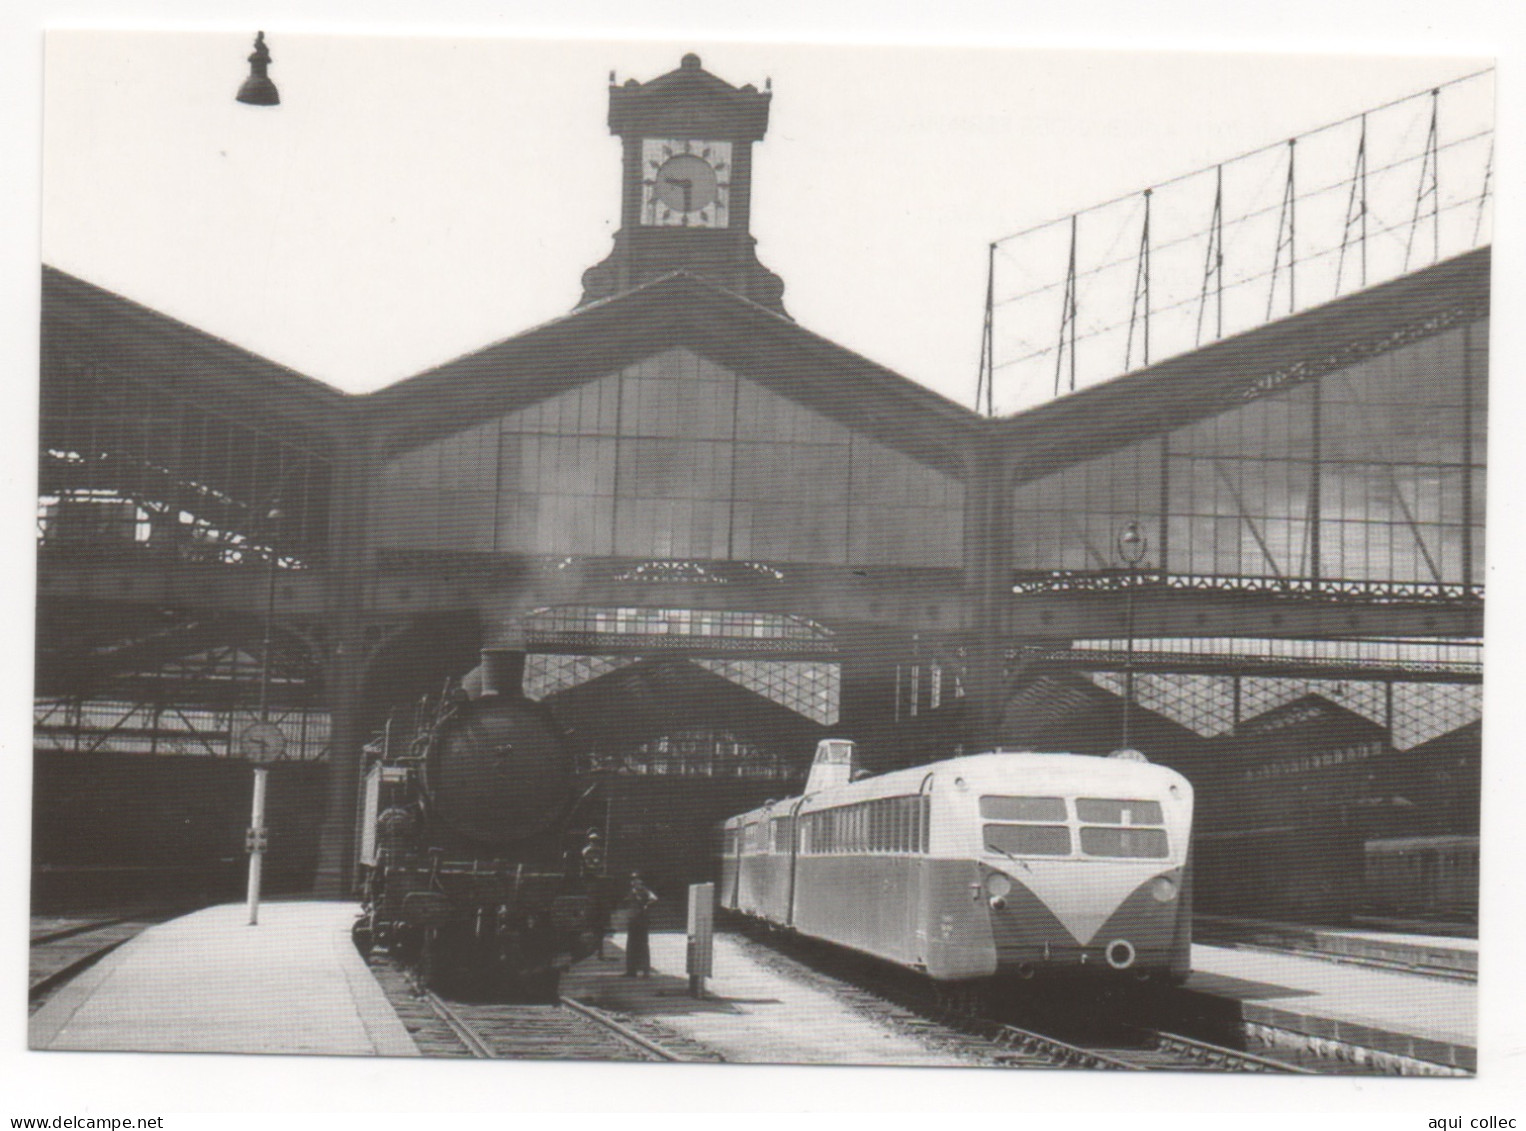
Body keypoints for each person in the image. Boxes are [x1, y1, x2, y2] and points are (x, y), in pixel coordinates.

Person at [623, 872, 658, 977]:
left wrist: (646, 905)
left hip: (641, 921)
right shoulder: (631, 891)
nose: (634, 881)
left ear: (640, 881)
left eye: (636, 879)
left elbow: (654, 899)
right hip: (633, 921)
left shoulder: (644, 891)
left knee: (642, 946)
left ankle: (645, 971)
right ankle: (631, 971)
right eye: (633, 879)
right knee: (631, 946)